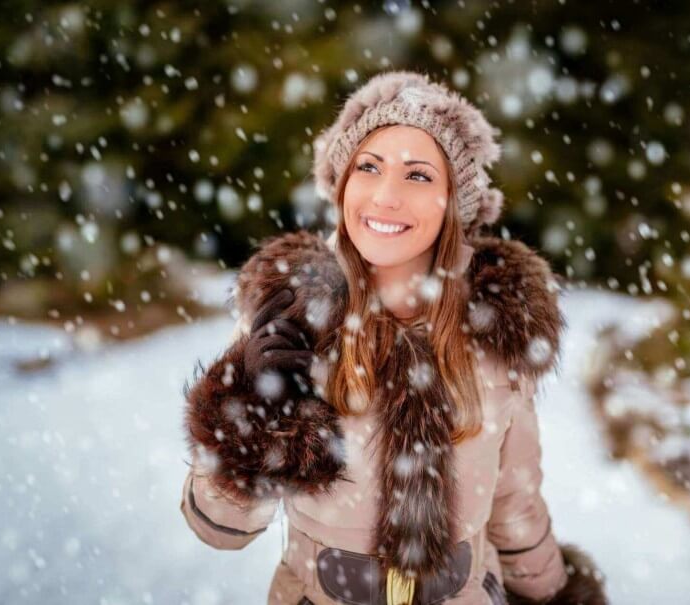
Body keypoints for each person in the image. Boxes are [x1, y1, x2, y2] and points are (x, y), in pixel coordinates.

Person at [180, 70, 607, 605]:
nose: (385, 196)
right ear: (341, 184)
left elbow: (514, 504)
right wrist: (252, 412)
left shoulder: (499, 331)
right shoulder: (289, 317)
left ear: (455, 200)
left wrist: (555, 595)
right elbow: (221, 529)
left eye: (419, 176)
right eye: (368, 167)